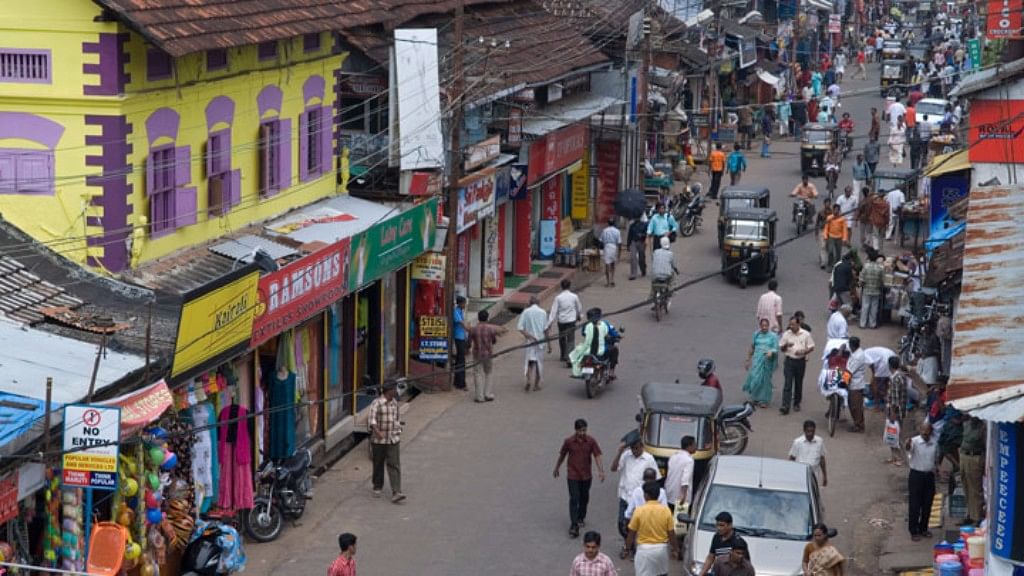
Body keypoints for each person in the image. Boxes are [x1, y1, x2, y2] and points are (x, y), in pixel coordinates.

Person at [555, 418, 606, 537]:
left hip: (586, 475)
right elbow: (562, 455)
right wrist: (557, 467)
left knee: (584, 497)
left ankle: (581, 516)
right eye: (580, 431)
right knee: (574, 498)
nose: (583, 433)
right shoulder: (568, 442)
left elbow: (597, 455)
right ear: (576, 430)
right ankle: (574, 525)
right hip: (572, 475)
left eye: (584, 430)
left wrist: (601, 470)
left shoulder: (591, 441)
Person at [612, 437, 660, 538]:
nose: (634, 451)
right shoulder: (626, 455)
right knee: (622, 524)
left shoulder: (649, 459)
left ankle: (630, 546)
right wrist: (619, 452)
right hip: (625, 495)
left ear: (642, 446)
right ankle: (628, 542)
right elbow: (614, 468)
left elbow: (656, 478)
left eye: (637, 448)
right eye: (632, 448)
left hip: (640, 498)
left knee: (637, 525)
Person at [625, 482, 677, 575]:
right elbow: (671, 533)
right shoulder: (666, 511)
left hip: (644, 551)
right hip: (661, 550)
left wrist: (627, 549)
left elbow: (631, 533)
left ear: (646, 495)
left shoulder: (639, 511)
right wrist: (675, 549)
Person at [368, 380, 405, 503]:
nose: (396, 391)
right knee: (378, 464)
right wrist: (378, 433)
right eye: (394, 389)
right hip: (379, 441)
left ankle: (396, 491)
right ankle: (377, 486)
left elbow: (397, 418)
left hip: (393, 439)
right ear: (389, 391)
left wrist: (398, 430)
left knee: (394, 464)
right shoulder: (377, 403)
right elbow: (372, 420)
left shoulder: (394, 403)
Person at [905, 422, 939, 541]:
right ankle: (913, 530)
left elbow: (936, 458)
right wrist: (907, 445)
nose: (925, 434)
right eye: (923, 432)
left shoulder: (934, 442)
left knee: (927, 504)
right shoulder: (914, 441)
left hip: (929, 476)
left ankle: (923, 528)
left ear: (930, 432)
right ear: (920, 430)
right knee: (915, 505)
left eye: (927, 432)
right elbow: (908, 449)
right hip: (916, 475)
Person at [570, 307, 620, 379]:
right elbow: (612, 333)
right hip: (601, 350)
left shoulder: (586, 325)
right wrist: (616, 336)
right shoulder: (604, 324)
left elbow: (584, 334)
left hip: (587, 350)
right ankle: (611, 371)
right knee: (615, 350)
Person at [779, 316, 815, 414]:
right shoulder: (786, 334)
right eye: (790, 324)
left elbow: (811, 347)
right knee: (788, 383)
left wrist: (804, 351)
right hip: (789, 361)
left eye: (793, 324)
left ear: (798, 324)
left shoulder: (806, 334)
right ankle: (785, 405)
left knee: (798, 383)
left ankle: (796, 403)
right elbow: (781, 348)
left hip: (800, 361)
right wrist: (786, 345)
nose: (791, 326)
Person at [468, 309, 506, 403]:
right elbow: (494, 341)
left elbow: (469, 341)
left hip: (477, 354)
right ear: (487, 318)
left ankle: (479, 397)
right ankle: (488, 394)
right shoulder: (490, 329)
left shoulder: (474, 329)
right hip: (488, 354)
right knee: (488, 373)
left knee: (478, 373)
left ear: (478, 318)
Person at [742, 318, 780, 408]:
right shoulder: (756, 334)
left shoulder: (773, 336)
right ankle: (755, 398)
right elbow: (752, 347)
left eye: (766, 326)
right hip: (757, 359)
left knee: (765, 381)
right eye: (762, 326)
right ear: (760, 326)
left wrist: (771, 352)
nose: (764, 327)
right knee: (755, 377)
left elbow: (775, 348)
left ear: (768, 326)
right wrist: (748, 360)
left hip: (767, 360)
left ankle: (764, 400)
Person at [697, 511, 749, 576]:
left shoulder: (738, 542)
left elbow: (745, 565)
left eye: (722, 525)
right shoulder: (716, 537)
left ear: (730, 525)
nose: (718, 528)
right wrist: (701, 574)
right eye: (717, 525)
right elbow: (711, 557)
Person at [517, 295, 550, 392]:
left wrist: (529, 336)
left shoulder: (526, 312)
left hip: (530, 342)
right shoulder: (543, 312)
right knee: (539, 364)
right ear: (538, 303)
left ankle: (528, 380)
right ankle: (536, 385)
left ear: (530, 303)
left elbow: (520, 327)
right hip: (541, 342)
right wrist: (549, 344)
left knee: (530, 362)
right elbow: (546, 329)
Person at [959, 416, 986, 524]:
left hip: (975, 457)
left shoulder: (983, 428)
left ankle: (977, 517)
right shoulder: (966, 424)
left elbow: (985, 446)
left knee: (975, 489)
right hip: (964, 455)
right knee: (966, 487)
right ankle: (969, 514)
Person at [548, 279, 582, 365]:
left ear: (561, 287)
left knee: (562, 338)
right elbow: (579, 308)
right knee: (571, 338)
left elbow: (553, 311)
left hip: (562, 321)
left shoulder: (558, 298)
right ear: (569, 286)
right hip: (571, 320)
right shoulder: (574, 296)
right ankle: (569, 356)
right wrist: (578, 316)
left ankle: (563, 355)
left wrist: (549, 323)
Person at [789, 420, 828, 486]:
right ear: (804, 431)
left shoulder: (820, 441)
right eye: (808, 431)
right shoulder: (797, 442)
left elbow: (822, 459)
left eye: (812, 431)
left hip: (814, 475)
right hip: (799, 475)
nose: (810, 434)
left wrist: (825, 476)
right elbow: (791, 459)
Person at [665, 436, 696, 514]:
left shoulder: (673, 456)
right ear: (689, 446)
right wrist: (683, 496)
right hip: (681, 497)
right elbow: (685, 480)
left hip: (669, 494)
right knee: (679, 523)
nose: (696, 447)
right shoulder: (689, 460)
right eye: (694, 445)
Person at [845, 337, 868, 432]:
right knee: (854, 405)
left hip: (856, 385)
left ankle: (859, 425)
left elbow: (849, 372)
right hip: (855, 383)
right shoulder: (857, 352)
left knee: (855, 406)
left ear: (852, 346)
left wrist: (843, 382)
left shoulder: (858, 357)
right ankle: (858, 423)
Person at [650, 236, 678, 307]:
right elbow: (673, 265)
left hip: (655, 274)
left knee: (653, 285)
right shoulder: (670, 254)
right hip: (666, 275)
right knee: (672, 280)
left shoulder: (656, 252)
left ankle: (652, 299)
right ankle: (670, 293)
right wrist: (676, 270)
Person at [858, 256, 885, 329]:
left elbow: (861, 279)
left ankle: (862, 324)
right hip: (876, 290)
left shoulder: (865, 267)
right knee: (874, 308)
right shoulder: (880, 268)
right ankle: (872, 324)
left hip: (866, 290)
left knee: (865, 307)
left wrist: (861, 285)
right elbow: (882, 280)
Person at [823, 205, 849, 269]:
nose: (836, 211)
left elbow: (844, 229)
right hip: (831, 236)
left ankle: (837, 266)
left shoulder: (842, 219)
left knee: (838, 253)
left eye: (837, 210)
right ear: (833, 210)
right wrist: (825, 236)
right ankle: (829, 265)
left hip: (839, 237)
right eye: (835, 210)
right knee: (830, 251)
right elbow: (826, 228)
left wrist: (844, 239)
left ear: (839, 211)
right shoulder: (829, 218)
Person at [599, 218, 622, 287]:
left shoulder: (604, 230)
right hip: (614, 247)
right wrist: (619, 253)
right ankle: (612, 279)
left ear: (608, 223)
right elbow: (619, 242)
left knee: (607, 264)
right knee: (613, 264)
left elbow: (600, 240)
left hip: (607, 247)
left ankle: (608, 281)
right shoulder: (617, 231)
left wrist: (601, 248)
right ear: (614, 223)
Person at [452, 295, 469, 390]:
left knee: (460, 359)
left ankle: (458, 381)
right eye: (464, 303)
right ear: (460, 303)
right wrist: (470, 329)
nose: (465, 305)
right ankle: (461, 383)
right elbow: (462, 324)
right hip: (458, 338)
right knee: (461, 360)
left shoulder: (460, 311)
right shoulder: (456, 312)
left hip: (462, 337)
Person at [816, 197, 832, 269]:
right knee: (823, 246)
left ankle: (823, 257)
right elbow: (817, 223)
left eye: (829, 203)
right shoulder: (820, 212)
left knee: (828, 247)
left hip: (830, 231)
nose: (828, 204)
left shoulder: (833, 212)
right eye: (826, 203)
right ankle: (823, 262)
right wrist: (816, 233)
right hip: (822, 230)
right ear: (824, 204)